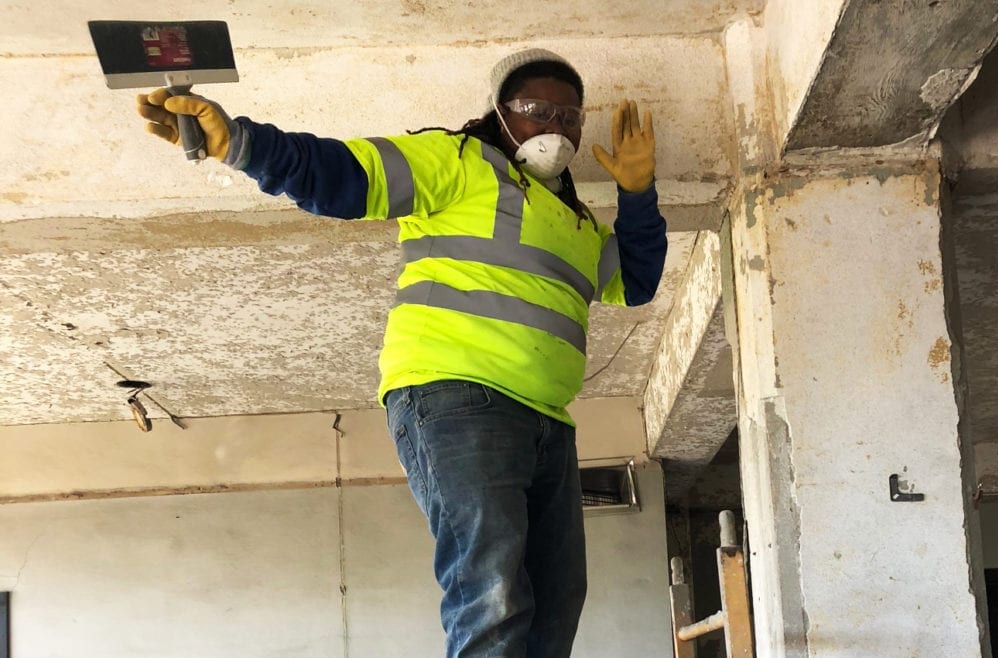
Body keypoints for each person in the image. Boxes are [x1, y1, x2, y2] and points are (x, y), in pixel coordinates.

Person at [136, 48, 667, 658]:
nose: (556, 126)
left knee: (556, 601)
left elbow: (635, 280)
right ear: (499, 112)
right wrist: (239, 142)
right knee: (491, 594)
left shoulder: (574, 222)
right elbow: (341, 173)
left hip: (548, 420)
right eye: (536, 109)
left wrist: (638, 193)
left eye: (570, 116)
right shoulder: (459, 161)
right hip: (459, 397)